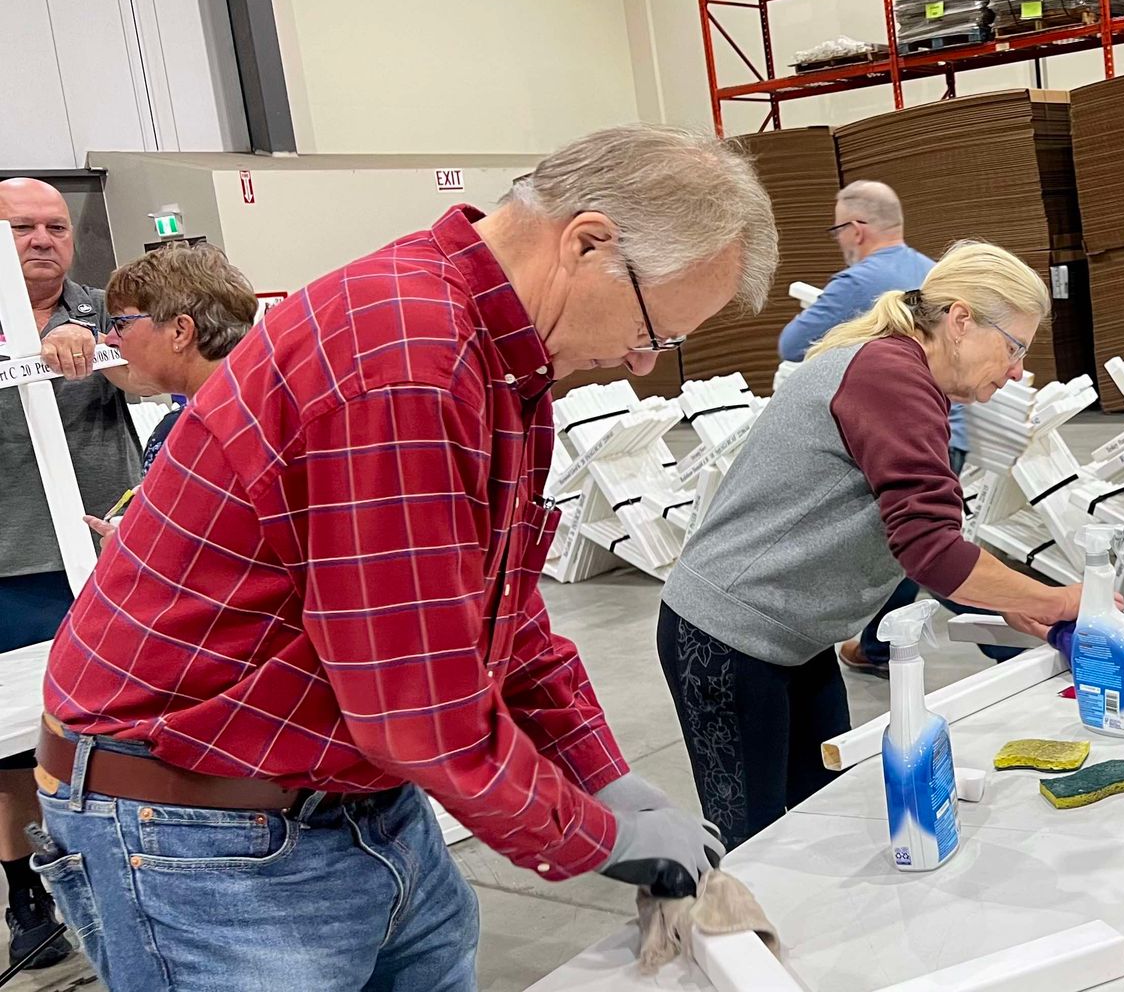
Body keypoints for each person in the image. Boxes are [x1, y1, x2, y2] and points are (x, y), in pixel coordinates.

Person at [35, 126, 776, 990]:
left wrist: (603, 778)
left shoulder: (496, 360)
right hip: (202, 837)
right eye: (655, 328)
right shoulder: (408, 359)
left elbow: (500, 612)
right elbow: (416, 707)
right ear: (586, 242)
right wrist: (596, 836)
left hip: (354, 801)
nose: (642, 362)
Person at [659, 241, 1086, 847]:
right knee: (751, 842)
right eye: (1015, 346)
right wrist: (1056, 600)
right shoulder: (891, 376)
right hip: (727, 636)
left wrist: (1005, 601)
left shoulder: (900, 374)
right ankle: (728, 938)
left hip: (793, 636)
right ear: (961, 320)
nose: (1018, 369)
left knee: (820, 811)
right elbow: (931, 550)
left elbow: (922, 542)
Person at [0, 177, 141, 972]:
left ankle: (121, 871)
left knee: (116, 725)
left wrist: (98, 353)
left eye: (56, 225)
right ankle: (25, 891)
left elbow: (152, 375)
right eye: (23, 227)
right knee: (14, 749)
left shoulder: (106, 305)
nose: (44, 239)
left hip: (110, 556)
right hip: (10, 564)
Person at [771, 181, 989, 675]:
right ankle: (877, 647)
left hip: (890, 439)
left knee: (928, 554)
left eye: (837, 229)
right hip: (950, 432)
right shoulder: (937, 272)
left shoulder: (856, 283)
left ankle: (1022, 634)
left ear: (856, 228)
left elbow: (792, 345)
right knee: (915, 545)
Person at [80, 243, 260, 537]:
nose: (110, 339)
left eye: (122, 323)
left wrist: (141, 551)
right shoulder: (188, 424)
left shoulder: (236, 428)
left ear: (180, 331)